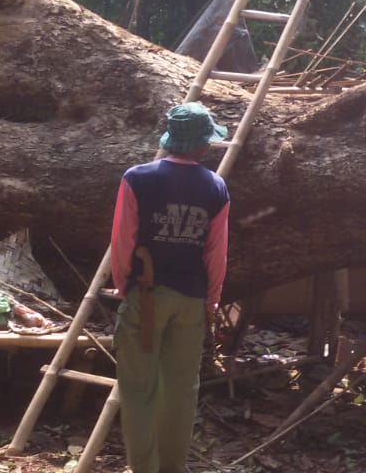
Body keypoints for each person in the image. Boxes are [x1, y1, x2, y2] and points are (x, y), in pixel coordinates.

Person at [110, 102, 230, 473]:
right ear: (204, 146)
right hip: (191, 300)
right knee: (180, 391)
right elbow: (216, 251)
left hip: (145, 297)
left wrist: (122, 285)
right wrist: (212, 299)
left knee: (138, 389)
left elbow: (123, 241)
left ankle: (144, 468)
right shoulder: (215, 187)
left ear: (171, 140)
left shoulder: (137, 178)